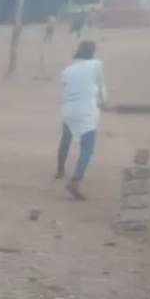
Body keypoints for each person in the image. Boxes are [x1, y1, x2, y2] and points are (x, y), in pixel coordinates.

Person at [56, 40, 106, 200]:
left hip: (69, 110)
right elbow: (101, 86)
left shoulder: (67, 70)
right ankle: (75, 180)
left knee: (66, 139)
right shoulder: (96, 64)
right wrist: (103, 102)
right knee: (87, 148)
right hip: (87, 111)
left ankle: (60, 170)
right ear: (92, 52)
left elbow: (67, 89)